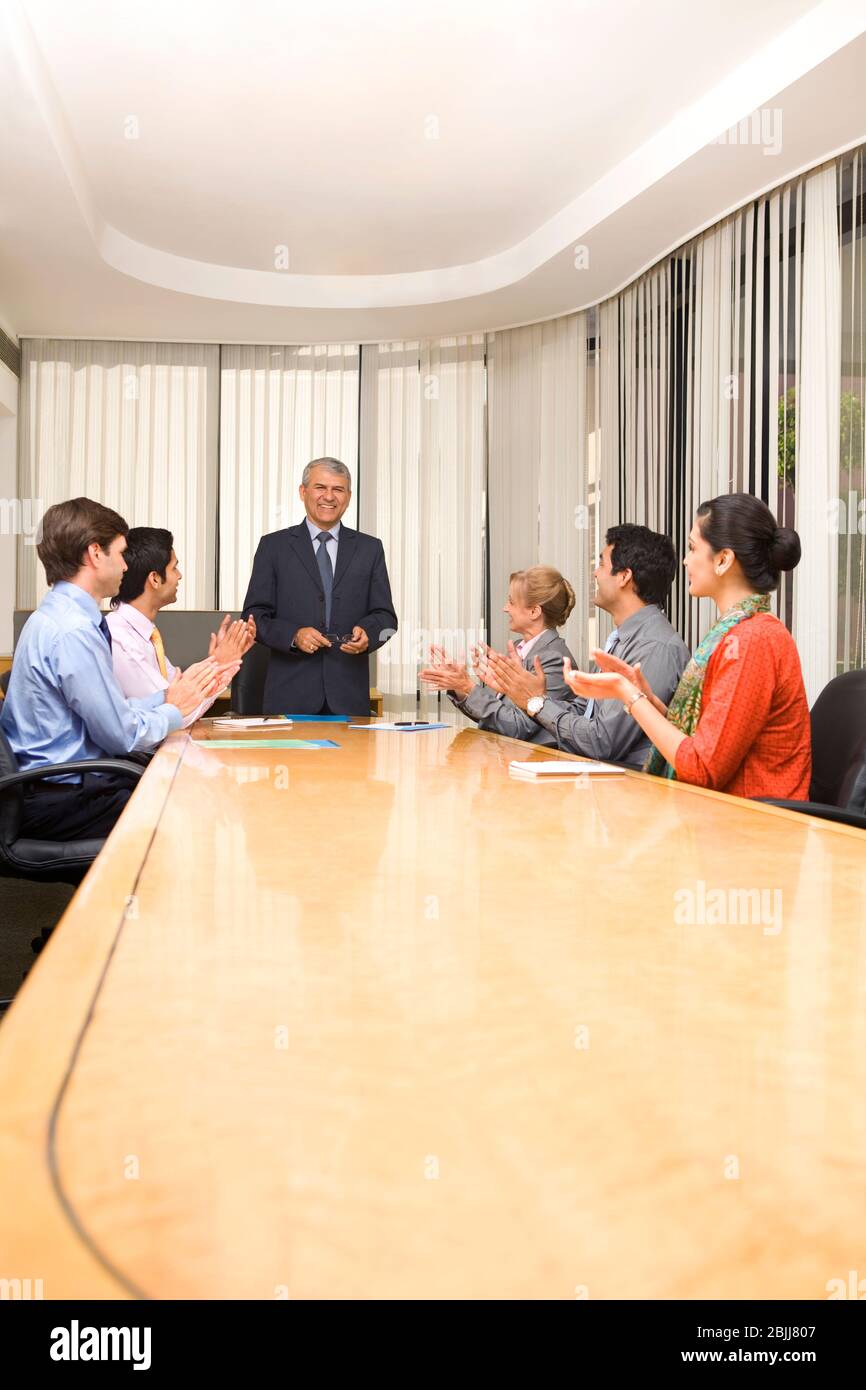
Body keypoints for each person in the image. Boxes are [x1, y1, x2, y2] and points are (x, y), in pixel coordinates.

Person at [0, 498, 238, 840]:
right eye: (121, 553)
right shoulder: (74, 631)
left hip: (64, 784)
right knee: (185, 813)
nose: (127, 567)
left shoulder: (61, 617)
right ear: (96, 554)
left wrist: (164, 698)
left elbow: (111, 715)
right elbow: (121, 735)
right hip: (63, 795)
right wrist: (174, 709)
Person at [561, 494, 811, 799]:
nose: (685, 560)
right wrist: (648, 701)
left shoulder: (750, 641)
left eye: (693, 548)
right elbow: (708, 742)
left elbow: (702, 769)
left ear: (723, 560)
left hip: (751, 826)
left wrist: (628, 694)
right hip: (721, 816)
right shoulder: (735, 633)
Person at [479, 525, 689, 768]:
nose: (595, 574)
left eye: (601, 564)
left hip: (630, 792)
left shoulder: (655, 647)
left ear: (624, 576)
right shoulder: (625, 638)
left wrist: (535, 702)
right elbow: (586, 711)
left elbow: (602, 742)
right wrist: (534, 696)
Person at [242, 458, 397, 715]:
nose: (329, 496)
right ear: (303, 492)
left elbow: (387, 618)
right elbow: (254, 617)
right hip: (289, 697)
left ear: (348, 496)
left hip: (349, 700)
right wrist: (294, 635)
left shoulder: (370, 549)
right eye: (320, 487)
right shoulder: (274, 547)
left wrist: (369, 634)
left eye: (338, 489)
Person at [107, 527, 255, 726]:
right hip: (140, 754)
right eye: (174, 568)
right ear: (155, 579)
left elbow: (180, 696)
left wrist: (219, 664)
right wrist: (218, 666)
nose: (179, 576)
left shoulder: (145, 635)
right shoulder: (120, 638)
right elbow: (176, 712)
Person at [420, 566, 577, 746]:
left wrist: (469, 687)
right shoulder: (520, 649)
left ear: (534, 611)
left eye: (511, 602)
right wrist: (461, 688)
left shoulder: (553, 659)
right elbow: (497, 718)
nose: (505, 608)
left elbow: (517, 727)